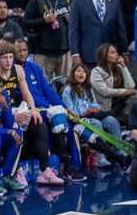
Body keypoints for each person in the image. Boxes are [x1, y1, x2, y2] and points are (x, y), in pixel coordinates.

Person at [14, 39, 85, 182]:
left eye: (24, 50)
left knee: (75, 126)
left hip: (47, 108)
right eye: (18, 50)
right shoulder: (12, 71)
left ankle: (69, 165)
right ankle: (66, 166)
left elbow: (49, 91)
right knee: (58, 122)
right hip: (31, 110)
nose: (21, 53)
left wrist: (66, 109)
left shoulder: (34, 67)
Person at [0, 42, 62, 186]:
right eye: (5, 57)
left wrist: (34, 110)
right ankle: (16, 170)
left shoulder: (18, 70)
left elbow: (26, 93)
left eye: (11, 57)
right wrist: (12, 117)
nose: (9, 60)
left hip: (15, 110)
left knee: (39, 124)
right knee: (17, 130)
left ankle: (44, 172)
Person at [61, 63, 126, 169]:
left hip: (92, 116)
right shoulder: (67, 91)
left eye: (83, 72)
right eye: (78, 71)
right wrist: (87, 110)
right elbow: (70, 111)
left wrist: (95, 108)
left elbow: (95, 104)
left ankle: (121, 152)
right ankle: (101, 157)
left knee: (111, 120)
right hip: (80, 120)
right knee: (97, 123)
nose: (81, 74)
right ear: (73, 74)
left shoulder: (87, 88)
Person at [69, 0, 129, 70]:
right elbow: (73, 30)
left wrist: (124, 51)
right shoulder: (78, 0)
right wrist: (75, 53)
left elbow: (120, 28)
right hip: (88, 56)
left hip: (110, 56)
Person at [23, 0, 71, 80]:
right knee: (41, 85)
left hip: (64, 51)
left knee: (65, 86)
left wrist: (71, 20)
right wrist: (43, 20)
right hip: (43, 52)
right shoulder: (36, 0)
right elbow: (25, 23)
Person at [90, 43, 137, 125]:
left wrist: (124, 66)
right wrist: (126, 92)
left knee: (136, 98)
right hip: (106, 108)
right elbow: (105, 92)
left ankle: (130, 123)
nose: (116, 55)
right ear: (104, 56)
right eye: (112, 52)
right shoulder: (96, 72)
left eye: (116, 52)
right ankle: (129, 123)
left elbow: (131, 86)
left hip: (120, 105)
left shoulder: (119, 68)